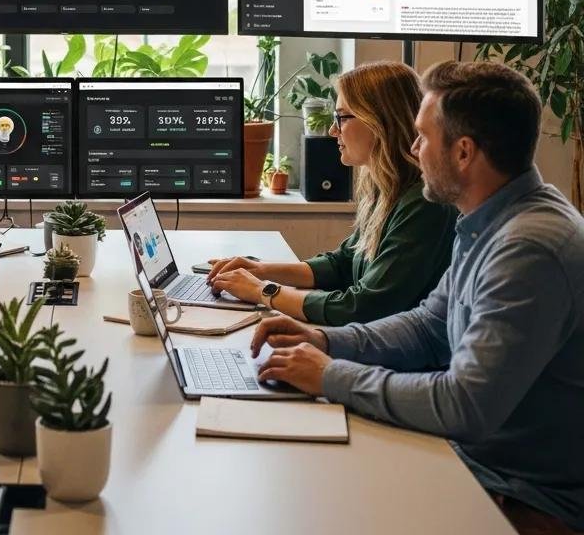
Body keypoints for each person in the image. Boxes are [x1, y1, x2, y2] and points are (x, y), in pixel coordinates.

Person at [251, 60, 584, 534]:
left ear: (464, 152)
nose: (412, 148)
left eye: (423, 137)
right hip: (478, 467)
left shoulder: (528, 248)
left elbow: (464, 405)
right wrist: (326, 342)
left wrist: (331, 376)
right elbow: (428, 325)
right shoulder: (487, 222)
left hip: (521, 499)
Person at [207, 61, 456, 325]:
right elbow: (344, 263)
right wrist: (259, 269)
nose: (332, 130)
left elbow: (362, 307)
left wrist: (263, 291)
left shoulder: (424, 202)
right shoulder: (386, 189)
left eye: (342, 117)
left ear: (380, 121)